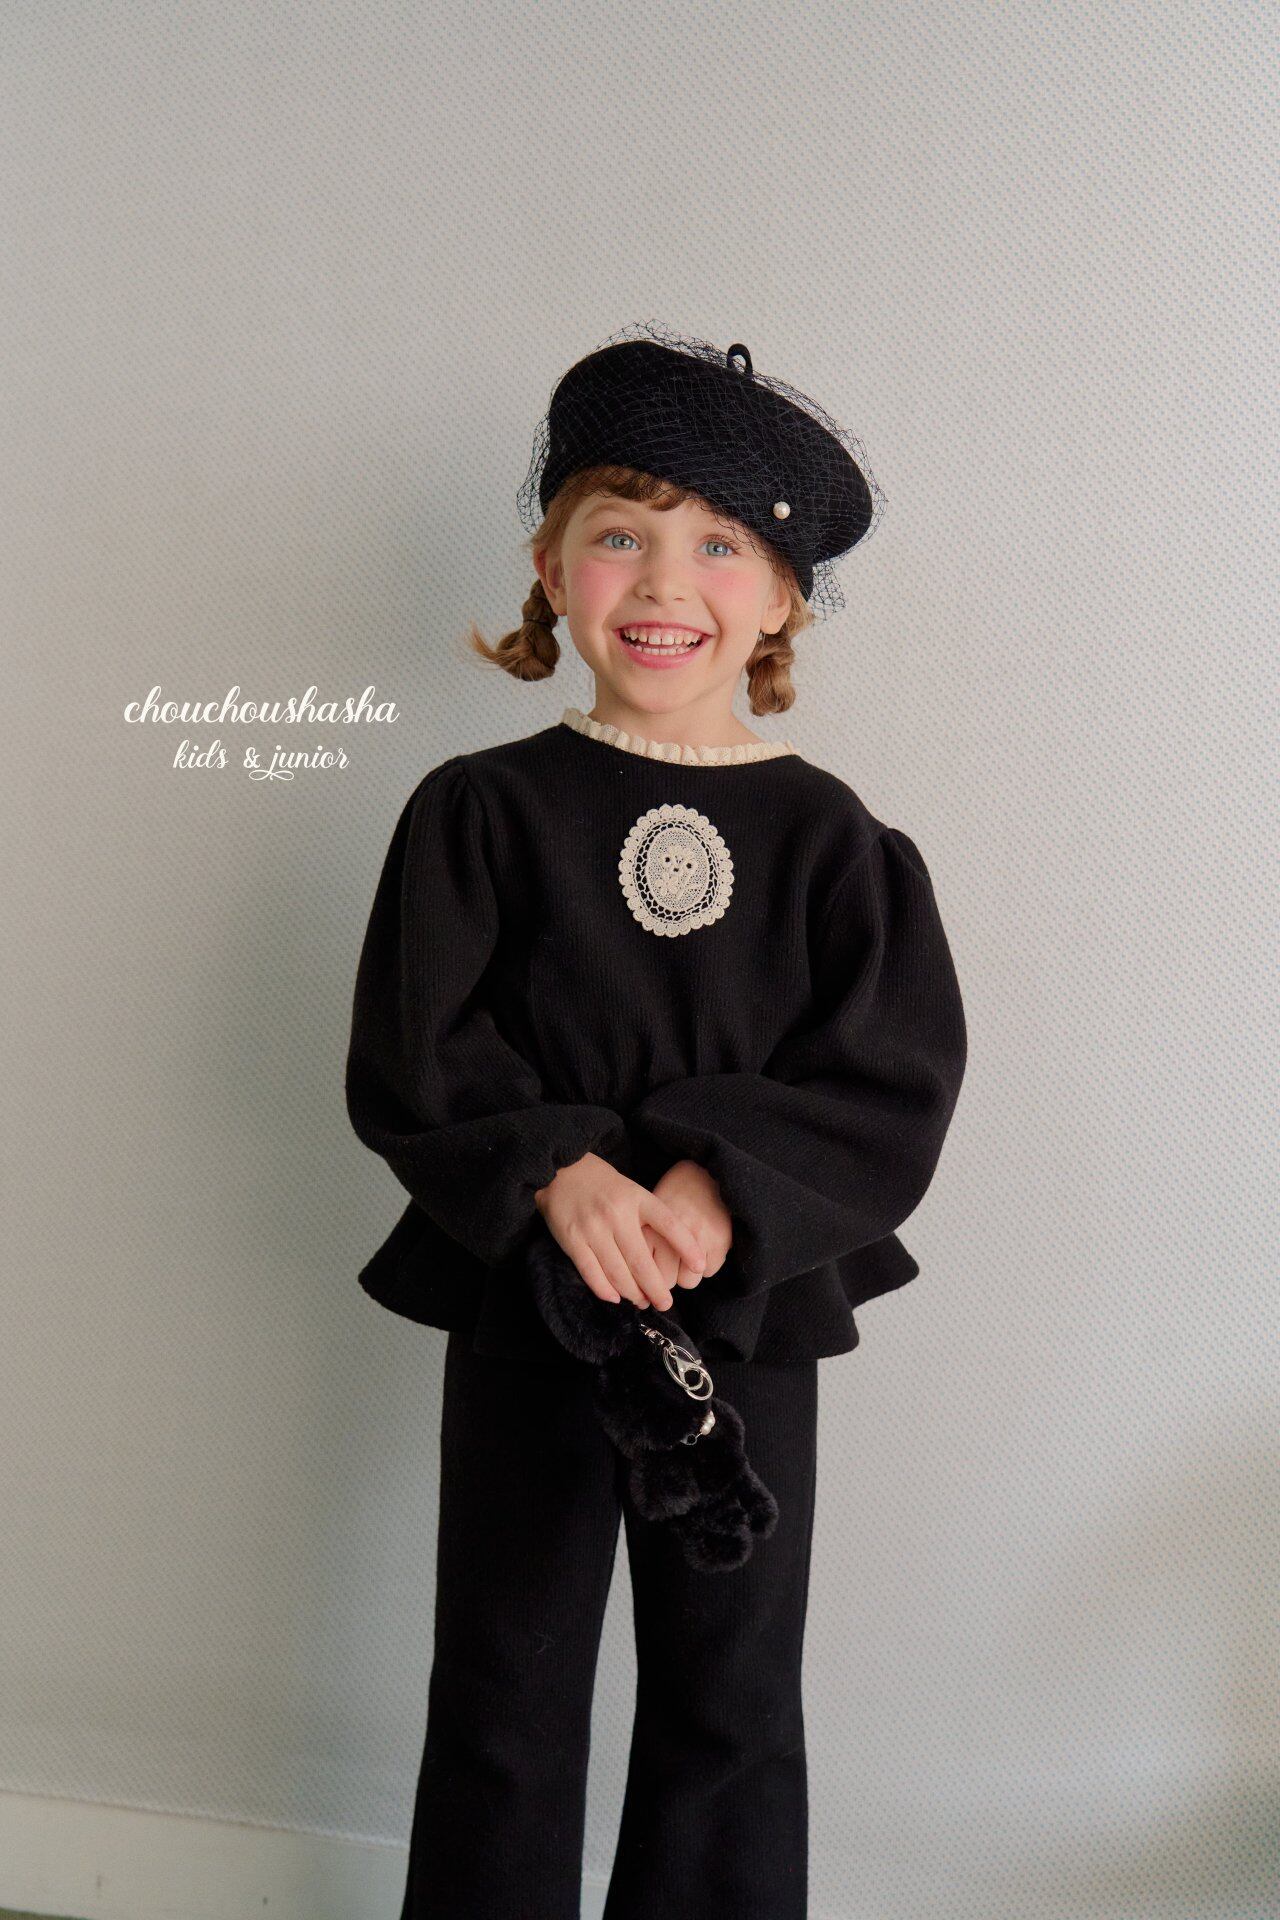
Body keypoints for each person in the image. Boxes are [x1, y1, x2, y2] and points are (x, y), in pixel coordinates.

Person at [344, 321, 969, 1918]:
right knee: (505, 1682)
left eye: (719, 545)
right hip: (530, 1304)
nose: (664, 581)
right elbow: (420, 1044)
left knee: (731, 1701)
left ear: (781, 599)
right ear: (551, 571)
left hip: (739, 1317)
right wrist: (555, 1172)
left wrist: (719, 1187)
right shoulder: (479, 812)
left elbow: (889, 1076)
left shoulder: (838, 845)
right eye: (620, 534)